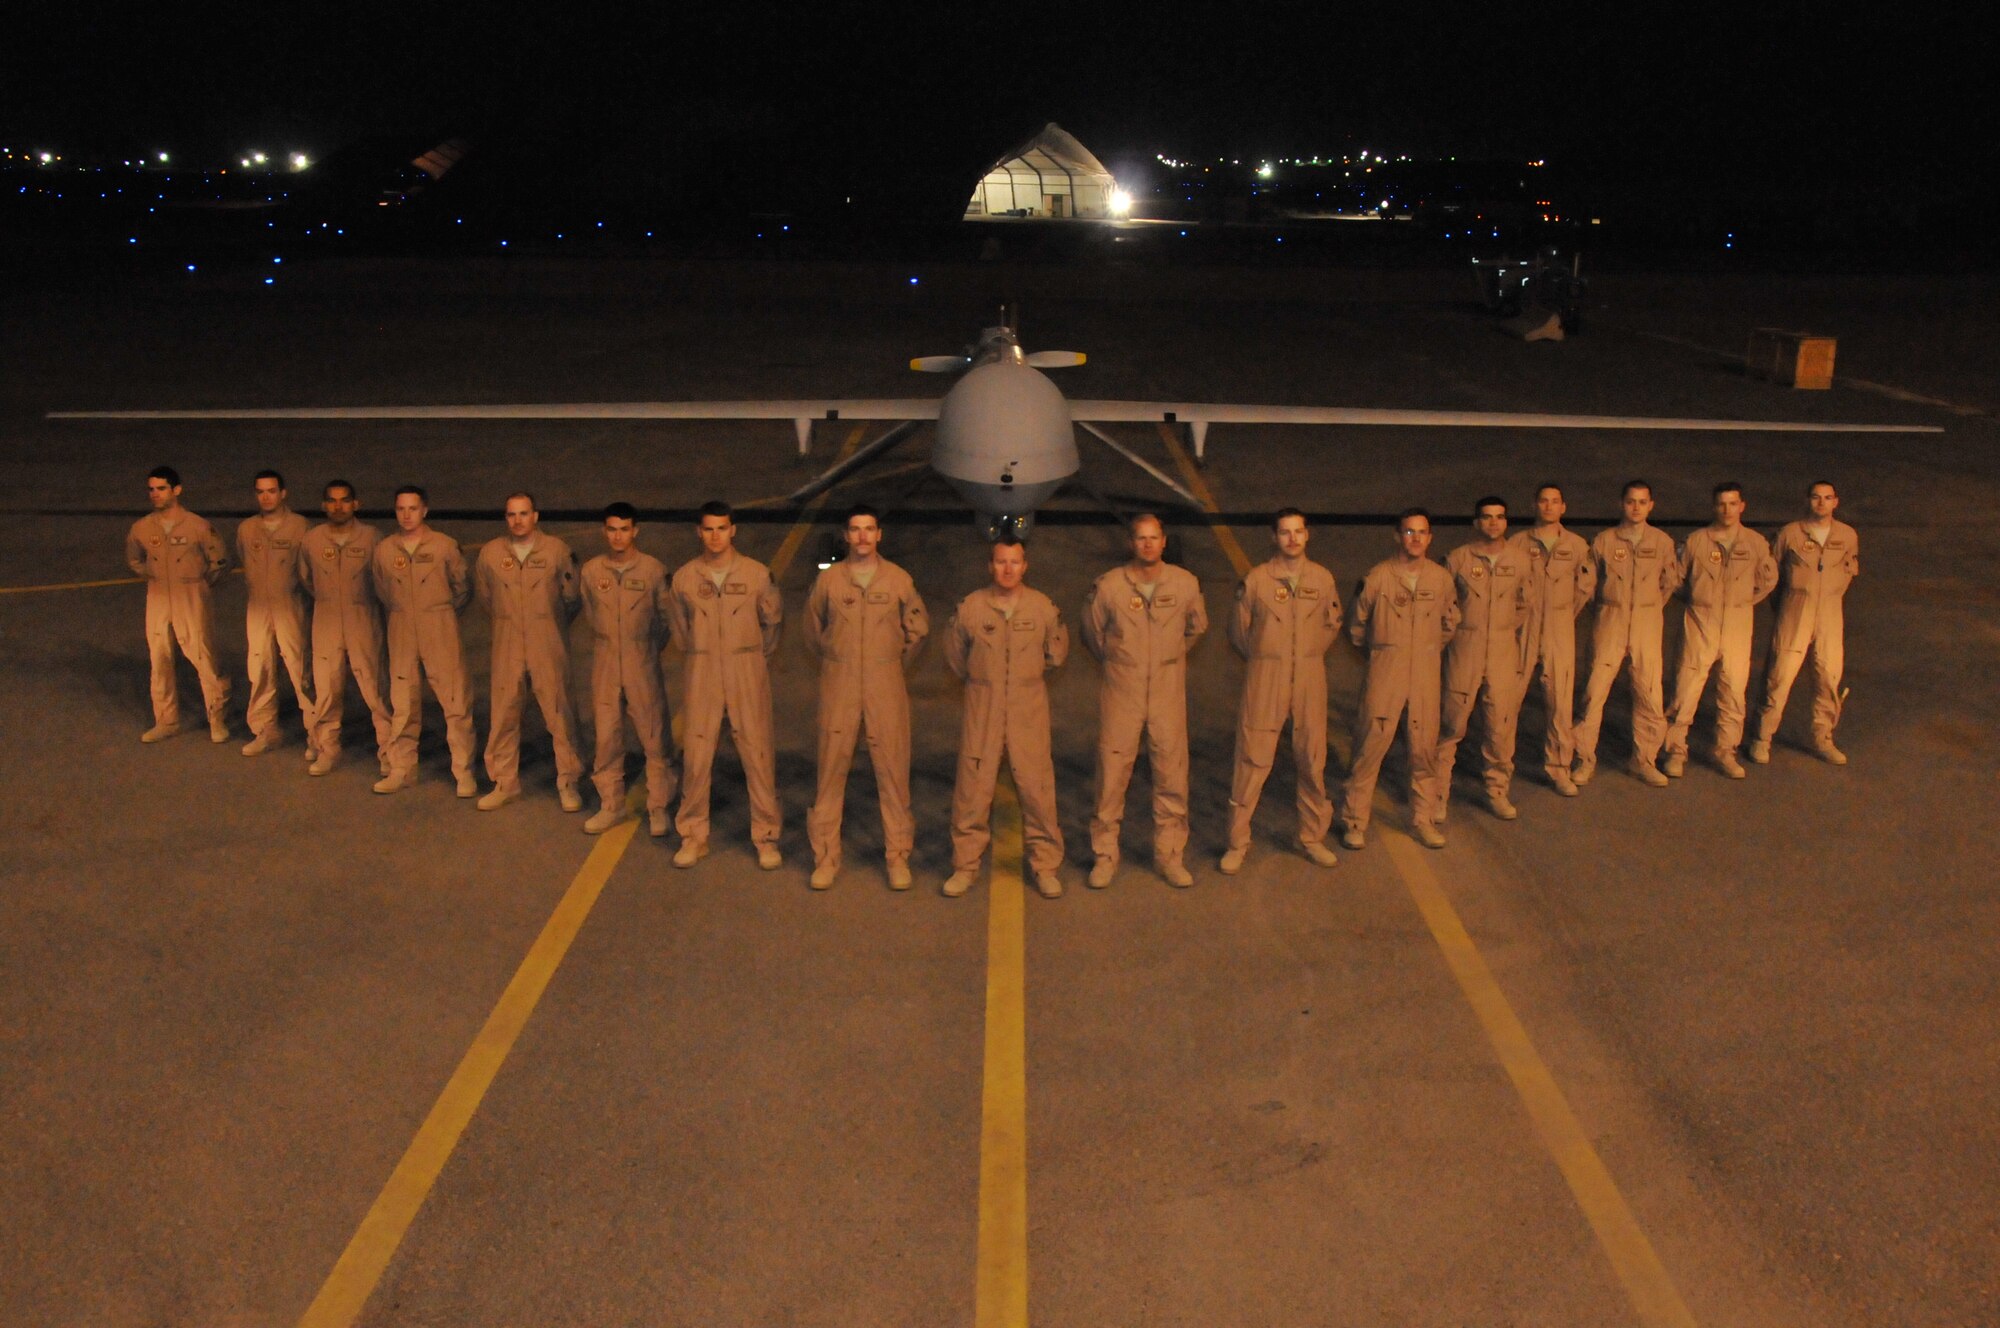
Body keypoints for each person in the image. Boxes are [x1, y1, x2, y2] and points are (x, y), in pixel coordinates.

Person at [804, 504, 929, 890]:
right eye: (855, 529)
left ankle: (897, 857)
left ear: (879, 535)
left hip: (884, 683)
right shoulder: (829, 583)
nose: (862, 537)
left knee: (892, 771)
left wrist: (888, 665)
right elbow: (813, 632)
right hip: (839, 683)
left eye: (869, 529)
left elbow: (918, 631)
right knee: (830, 772)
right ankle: (825, 858)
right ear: (846, 535)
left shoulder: (898, 581)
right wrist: (838, 661)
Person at [1082, 513, 1208, 888]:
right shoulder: (1109, 587)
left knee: (1171, 774)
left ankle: (1170, 856)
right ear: (1131, 543)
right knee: (1112, 775)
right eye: (1141, 538)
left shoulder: (1185, 584)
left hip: (1167, 693)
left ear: (1164, 542)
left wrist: (1167, 658)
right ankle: (1105, 856)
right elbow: (1092, 633)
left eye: (1154, 538)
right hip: (1123, 691)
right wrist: (1125, 662)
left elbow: (1196, 627)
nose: (1148, 544)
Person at [943, 537, 1069, 899]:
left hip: (1028, 706)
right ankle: (965, 866)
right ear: (990, 566)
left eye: (1015, 562)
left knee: (1037, 788)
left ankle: (1045, 865)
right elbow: (955, 657)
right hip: (983, 704)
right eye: (1001, 562)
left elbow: (1056, 653)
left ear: (1025, 566)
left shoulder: (1043, 608)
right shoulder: (970, 608)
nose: (1008, 569)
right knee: (973, 788)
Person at [1222, 508, 1342, 874]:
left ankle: (1311, 837)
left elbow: (1330, 625)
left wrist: (1304, 655)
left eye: (1298, 531)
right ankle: (1237, 843)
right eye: (1285, 532)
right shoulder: (1256, 581)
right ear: (1273, 537)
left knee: (1312, 760)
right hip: (1266, 677)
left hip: (1309, 677)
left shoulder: (1322, 579)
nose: (1292, 538)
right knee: (1252, 760)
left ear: (1308, 536)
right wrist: (1268, 657)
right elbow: (1240, 633)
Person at [666, 501, 783, 869]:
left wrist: (747, 658)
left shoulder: (757, 575)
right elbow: (680, 632)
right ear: (698, 532)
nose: (715, 536)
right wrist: (705, 654)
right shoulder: (684, 579)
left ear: (733, 530)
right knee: (697, 757)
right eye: (708, 529)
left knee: (758, 755)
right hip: (702, 672)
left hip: (746, 670)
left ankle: (766, 837)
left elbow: (772, 626)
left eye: (722, 528)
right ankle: (693, 836)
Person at [1339, 509, 1460, 850]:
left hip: (1424, 674)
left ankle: (1422, 820)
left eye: (1422, 532)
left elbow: (1450, 622)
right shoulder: (1377, 578)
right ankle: (1354, 821)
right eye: (1409, 532)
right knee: (1370, 748)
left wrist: (1425, 649)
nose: (1416, 539)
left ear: (1430, 538)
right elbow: (1356, 627)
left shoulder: (1440, 579)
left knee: (1423, 751)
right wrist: (1384, 654)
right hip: (1386, 674)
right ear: (1397, 536)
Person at [474, 492, 584, 811]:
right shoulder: (491, 554)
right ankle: (505, 782)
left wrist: (546, 624)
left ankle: (569, 782)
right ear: (505, 518)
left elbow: (571, 598)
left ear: (536, 516)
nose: (518, 521)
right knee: (504, 713)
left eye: (524, 514)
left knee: (559, 713)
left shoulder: (557, 551)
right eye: (511, 515)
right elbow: (486, 598)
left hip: (546, 642)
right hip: (507, 643)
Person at [1662, 482, 1778, 779]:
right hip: (1701, 622)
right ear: (1714, 507)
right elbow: (1675, 579)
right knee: (1686, 689)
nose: (1727, 510)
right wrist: (1699, 601)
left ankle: (1726, 751)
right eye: (1722, 504)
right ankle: (1675, 751)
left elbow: (1767, 579)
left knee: (1733, 691)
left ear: (1742, 506)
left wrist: (1743, 603)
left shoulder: (1755, 543)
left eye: (1733, 504)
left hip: (1738, 625)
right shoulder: (1695, 542)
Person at [1572, 480, 1684, 788]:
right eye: (1631, 501)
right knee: (1594, 692)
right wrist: (1614, 607)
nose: (1636, 507)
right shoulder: (1604, 541)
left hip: (1647, 622)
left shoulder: (1662, 542)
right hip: (1610, 619)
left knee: (1649, 693)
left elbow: (1668, 583)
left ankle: (1644, 759)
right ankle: (1584, 759)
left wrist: (1646, 609)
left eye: (1642, 501)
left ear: (1651, 505)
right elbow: (1589, 585)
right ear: (1622, 504)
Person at [577, 503, 679, 837]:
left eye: (624, 529)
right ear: (604, 531)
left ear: (635, 531)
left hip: (641, 660)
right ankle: (611, 804)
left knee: (654, 737)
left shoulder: (652, 570)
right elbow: (591, 614)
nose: (618, 536)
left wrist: (645, 649)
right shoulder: (592, 572)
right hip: (605, 659)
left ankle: (659, 807)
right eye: (611, 529)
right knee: (606, 737)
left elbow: (667, 619)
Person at [370, 485, 477, 796]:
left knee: (455, 703)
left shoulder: (444, 546)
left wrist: (437, 612)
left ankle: (464, 772)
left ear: (424, 510)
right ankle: (402, 768)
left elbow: (462, 588)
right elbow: (382, 591)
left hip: (439, 627)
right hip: (401, 627)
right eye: (401, 509)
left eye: (412, 509)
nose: (406, 515)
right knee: (403, 703)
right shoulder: (385, 550)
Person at [1436, 497, 1532, 820]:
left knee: (1501, 726)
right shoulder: (1457, 560)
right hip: (1465, 648)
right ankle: (1436, 796)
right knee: (1451, 724)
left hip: (1503, 650)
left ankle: (1497, 791)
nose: (1493, 523)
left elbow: (1523, 604)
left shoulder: (1519, 561)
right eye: (1487, 517)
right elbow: (1444, 606)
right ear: (1476, 523)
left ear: (1507, 522)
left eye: (1500, 517)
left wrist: (1501, 631)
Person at [1751, 481, 1859, 765]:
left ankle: (1823, 738)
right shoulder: (1790, 534)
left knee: (1828, 676)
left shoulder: (1847, 536)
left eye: (1827, 498)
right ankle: (1762, 738)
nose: (1821, 503)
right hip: (1794, 611)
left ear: (1836, 502)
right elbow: (1771, 576)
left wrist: (1829, 597)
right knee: (1779, 677)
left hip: (1830, 615)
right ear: (1807, 501)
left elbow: (1848, 572)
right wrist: (1786, 607)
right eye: (1816, 497)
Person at [126, 466, 232, 743]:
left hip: (191, 596)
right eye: (151, 489)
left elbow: (219, 562)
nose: (155, 495)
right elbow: (135, 560)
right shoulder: (141, 528)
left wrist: (198, 585)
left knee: (203, 657)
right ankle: (166, 720)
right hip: (158, 597)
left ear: (176, 490)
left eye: (161, 489)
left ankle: (217, 719)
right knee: (159, 659)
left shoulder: (198, 526)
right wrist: (153, 576)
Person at [1508, 483, 1597, 797]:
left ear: (1564, 507)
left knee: (1560, 703)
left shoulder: (1576, 545)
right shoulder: (1516, 543)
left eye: (1555, 501)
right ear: (1535, 505)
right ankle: (1500, 769)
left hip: (1560, 629)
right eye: (1543, 501)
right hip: (1523, 630)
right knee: (1508, 702)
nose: (1548, 506)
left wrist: (1560, 615)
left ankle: (1559, 768)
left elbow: (1584, 588)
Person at [298, 480, 392, 776]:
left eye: (344, 500)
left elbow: (384, 581)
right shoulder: (311, 541)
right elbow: (307, 580)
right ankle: (328, 748)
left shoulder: (373, 539)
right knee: (326, 688)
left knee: (376, 689)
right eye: (332, 501)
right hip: (326, 620)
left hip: (363, 619)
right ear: (324, 505)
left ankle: (390, 754)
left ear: (356, 504)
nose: (338, 506)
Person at [236, 469, 314, 756]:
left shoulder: (300, 527)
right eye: (260, 492)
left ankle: (317, 734)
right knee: (259, 669)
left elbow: (309, 569)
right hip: (257, 608)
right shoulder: (247, 529)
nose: (266, 497)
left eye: (271, 491)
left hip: (289, 606)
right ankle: (265, 730)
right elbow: (245, 562)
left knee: (299, 667)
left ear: (283, 493)